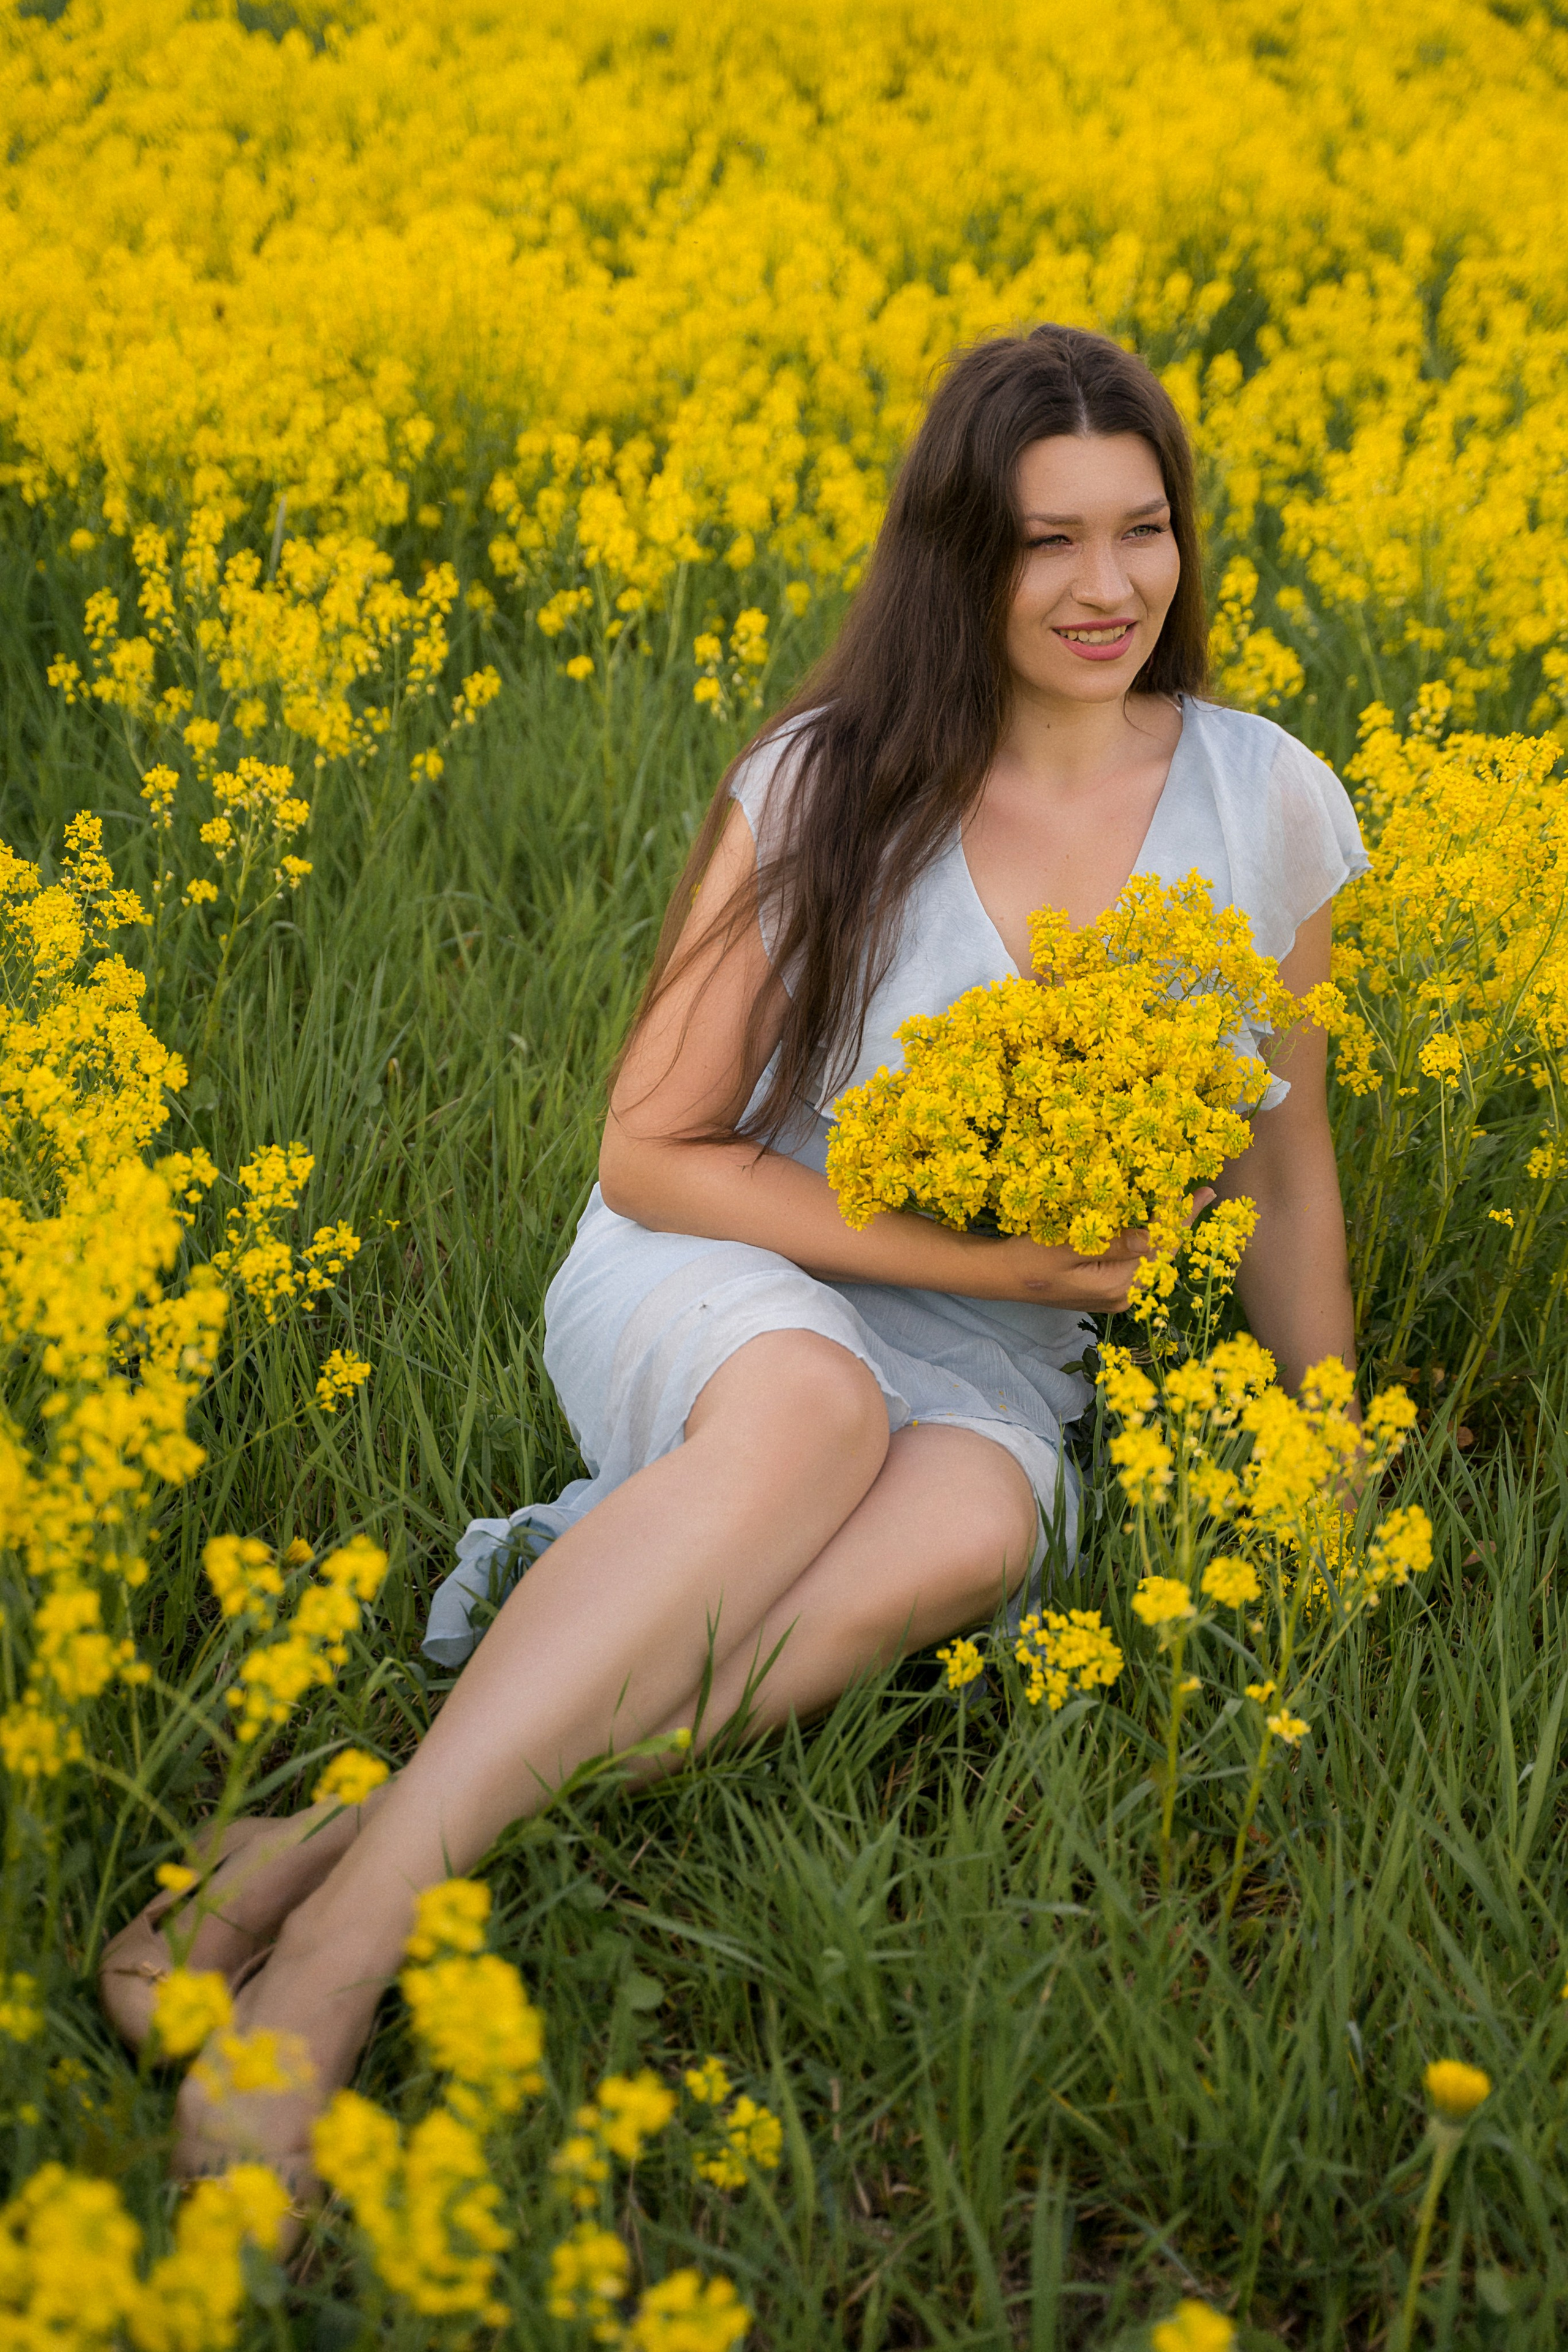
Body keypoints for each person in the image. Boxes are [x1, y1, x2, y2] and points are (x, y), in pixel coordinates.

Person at [99, 323, 1366, 2193]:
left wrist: (1329, 1432)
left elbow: (1286, 1151)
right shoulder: (831, 781)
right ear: (960, 554)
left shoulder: (1268, 798)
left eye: (1143, 528)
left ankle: (322, 1848)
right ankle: (343, 1966)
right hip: (721, 1260)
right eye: (1047, 541)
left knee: (976, 1534)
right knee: (815, 1415)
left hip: (995, 1349)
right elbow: (652, 1148)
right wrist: (1008, 1267)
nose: (1108, 586)